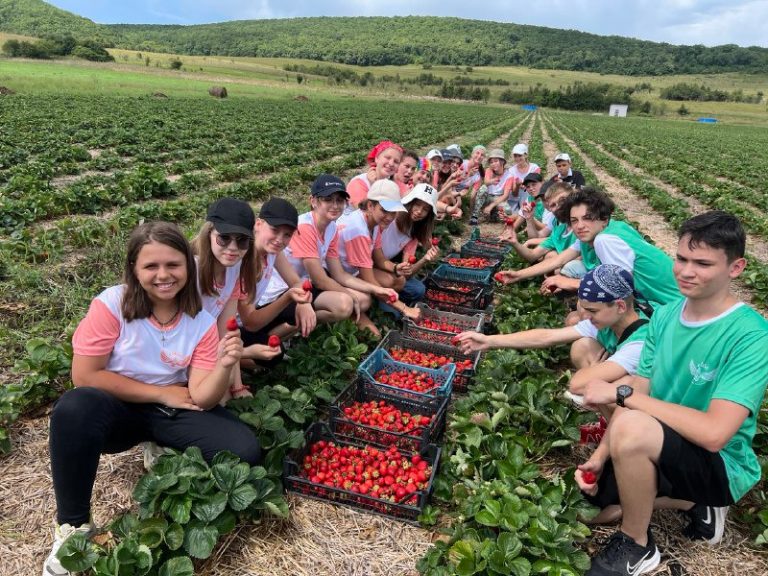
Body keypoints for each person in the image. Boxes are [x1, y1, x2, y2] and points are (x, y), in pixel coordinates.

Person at [44, 222, 260, 576]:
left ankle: (158, 443)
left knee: (243, 449)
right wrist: (161, 393)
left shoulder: (201, 321)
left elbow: (203, 398)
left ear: (188, 268)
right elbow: (84, 376)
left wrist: (225, 365)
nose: (164, 275)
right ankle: (73, 526)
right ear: (134, 269)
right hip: (117, 409)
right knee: (74, 408)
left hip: (167, 410)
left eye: (173, 265)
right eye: (151, 266)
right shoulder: (111, 305)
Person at [578, 211, 768, 576]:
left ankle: (637, 544)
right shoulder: (665, 317)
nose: (685, 271)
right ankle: (686, 501)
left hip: (719, 463)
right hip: (662, 441)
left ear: (736, 267)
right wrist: (601, 455)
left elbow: (714, 434)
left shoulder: (751, 336)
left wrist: (621, 395)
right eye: (681, 258)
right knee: (588, 506)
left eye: (703, 263)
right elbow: (642, 387)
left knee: (631, 420)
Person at [455, 264, 648, 398]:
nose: (586, 316)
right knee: (582, 346)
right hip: (616, 370)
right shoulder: (608, 320)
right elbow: (547, 336)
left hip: (648, 408)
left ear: (620, 306)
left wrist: (592, 373)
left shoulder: (640, 343)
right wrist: (489, 341)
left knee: (622, 384)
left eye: (592, 311)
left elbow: (577, 384)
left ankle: (614, 428)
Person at [497, 187, 680, 305]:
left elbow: (621, 288)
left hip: (666, 304)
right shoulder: (606, 230)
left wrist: (570, 283)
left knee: (583, 314)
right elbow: (559, 259)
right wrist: (518, 275)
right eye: (574, 220)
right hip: (670, 299)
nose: (580, 225)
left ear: (603, 218)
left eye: (587, 218)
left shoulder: (605, 240)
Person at [192, 198, 280, 400]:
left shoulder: (235, 269)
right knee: (217, 398)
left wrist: (237, 386)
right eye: (224, 238)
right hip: (183, 349)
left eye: (241, 240)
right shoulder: (192, 271)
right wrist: (246, 352)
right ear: (209, 234)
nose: (233, 247)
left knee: (225, 394)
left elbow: (227, 329)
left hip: (208, 344)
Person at [259, 176, 358, 329]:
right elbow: (319, 279)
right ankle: (288, 330)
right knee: (345, 304)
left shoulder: (331, 227)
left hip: (301, 284)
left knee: (359, 300)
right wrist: (351, 296)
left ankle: (299, 324)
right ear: (313, 201)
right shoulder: (304, 227)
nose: (335, 205)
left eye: (339, 200)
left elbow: (337, 273)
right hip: (279, 292)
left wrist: (375, 290)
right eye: (328, 199)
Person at [329, 179, 416, 335]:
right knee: (373, 330)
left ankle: (377, 308)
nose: (389, 217)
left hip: (350, 271)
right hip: (335, 276)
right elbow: (369, 280)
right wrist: (405, 308)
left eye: (393, 212)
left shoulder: (374, 224)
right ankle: (348, 316)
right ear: (370, 205)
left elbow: (380, 259)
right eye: (385, 210)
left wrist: (396, 267)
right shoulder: (358, 230)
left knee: (395, 280)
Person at [237, 198, 316, 366]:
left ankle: (262, 346)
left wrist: (303, 304)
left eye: (287, 234)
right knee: (273, 356)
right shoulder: (244, 261)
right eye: (274, 230)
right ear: (258, 224)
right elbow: (250, 323)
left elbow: (295, 281)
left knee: (299, 307)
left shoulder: (272, 251)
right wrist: (288, 297)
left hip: (252, 316)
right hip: (233, 326)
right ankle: (240, 360)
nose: (280, 239)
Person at [379, 183, 441, 314]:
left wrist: (425, 259)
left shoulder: (412, 234)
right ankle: (382, 300)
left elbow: (407, 272)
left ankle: (388, 299)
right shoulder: (391, 216)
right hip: (370, 264)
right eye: (417, 204)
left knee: (417, 289)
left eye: (425, 209)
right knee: (395, 303)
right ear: (409, 202)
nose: (419, 211)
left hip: (385, 267)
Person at [346, 140, 403, 211]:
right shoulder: (358, 183)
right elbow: (364, 211)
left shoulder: (392, 183)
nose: (391, 163)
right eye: (387, 158)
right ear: (376, 158)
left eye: (396, 161)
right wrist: (375, 186)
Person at [468, 148, 515, 226]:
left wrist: (491, 206)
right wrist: (491, 181)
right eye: (491, 162)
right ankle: (475, 215)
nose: (493, 164)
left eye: (496, 161)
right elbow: (486, 182)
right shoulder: (489, 171)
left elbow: (505, 195)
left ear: (502, 162)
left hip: (498, 198)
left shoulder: (509, 176)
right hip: (486, 197)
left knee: (507, 211)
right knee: (483, 188)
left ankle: (492, 215)